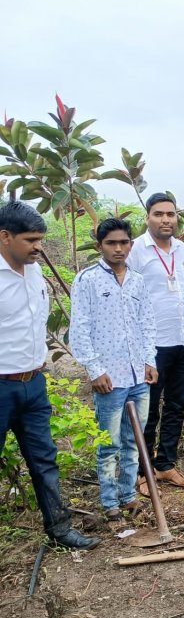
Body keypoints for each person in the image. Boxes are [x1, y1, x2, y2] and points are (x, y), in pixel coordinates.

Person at [0, 202, 100, 549]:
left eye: (40, 239)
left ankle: (59, 530)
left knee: (45, 460)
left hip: (33, 385)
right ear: (5, 237)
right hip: (1, 386)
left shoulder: (33, 273)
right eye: (31, 240)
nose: (38, 247)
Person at [70, 218, 158, 521]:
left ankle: (129, 495)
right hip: (109, 377)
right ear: (100, 246)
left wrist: (150, 361)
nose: (118, 248)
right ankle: (110, 503)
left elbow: (147, 324)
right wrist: (94, 370)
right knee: (109, 444)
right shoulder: (87, 280)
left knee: (135, 440)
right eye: (111, 243)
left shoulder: (138, 280)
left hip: (138, 376)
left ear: (130, 245)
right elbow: (79, 329)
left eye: (123, 243)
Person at [128, 192, 184, 494]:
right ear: (148, 217)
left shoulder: (183, 250)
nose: (166, 220)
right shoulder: (135, 250)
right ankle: (142, 471)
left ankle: (166, 464)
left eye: (170, 214)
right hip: (153, 345)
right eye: (159, 214)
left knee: (176, 405)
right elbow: (129, 301)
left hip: (183, 341)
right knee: (149, 410)